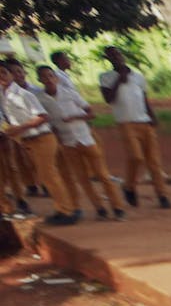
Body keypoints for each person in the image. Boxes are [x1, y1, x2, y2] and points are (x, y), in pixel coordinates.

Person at [36, 64, 124, 221]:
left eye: (51, 76)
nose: (48, 80)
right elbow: (45, 120)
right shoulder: (41, 99)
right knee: (82, 178)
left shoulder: (69, 93)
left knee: (102, 175)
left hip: (85, 138)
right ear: (39, 79)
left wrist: (75, 117)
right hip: (67, 142)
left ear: (56, 78)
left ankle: (117, 207)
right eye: (44, 77)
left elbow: (90, 113)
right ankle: (99, 207)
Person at [0, 62, 77, 225]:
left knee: (49, 175)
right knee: (45, 176)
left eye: (4, 73)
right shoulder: (4, 96)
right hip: (28, 140)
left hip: (42, 138)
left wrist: (19, 128)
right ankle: (62, 208)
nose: (2, 77)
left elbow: (42, 116)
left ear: (11, 75)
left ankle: (67, 211)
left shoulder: (23, 94)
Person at [98, 46, 170, 208]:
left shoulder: (137, 76)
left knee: (154, 161)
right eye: (111, 56)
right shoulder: (106, 77)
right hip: (125, 122)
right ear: (107, 59)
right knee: (136, 157)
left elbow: (144, 97)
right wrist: (119, 79)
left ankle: (163, 195)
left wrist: (152, 115)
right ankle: (129, 186)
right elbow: (108, 99)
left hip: (143, 120)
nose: (116, 58)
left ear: (122, 56)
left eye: (117, 54)